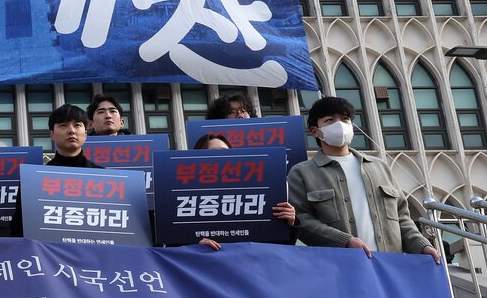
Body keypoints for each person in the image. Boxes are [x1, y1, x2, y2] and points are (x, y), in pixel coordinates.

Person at [287, 96, 441, 262]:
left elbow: (401, 217)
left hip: (389, 264)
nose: (340, 125)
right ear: (315, 131)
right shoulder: (302, 172)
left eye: (345, 119)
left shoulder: (379, 167)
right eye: (330, 120)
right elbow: (301, 220)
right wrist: (346, 241)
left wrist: (422, 245)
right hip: (339, 266)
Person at [187, 133, 297, 251]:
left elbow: (280, 248)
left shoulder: (260, 188)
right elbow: (171, 244)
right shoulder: (184, 194)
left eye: (225, 151)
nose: (221, 156)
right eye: (213, 152)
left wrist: (289, 223)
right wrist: (195, 245)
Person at [10, 105, 101, 238]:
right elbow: (19, 228)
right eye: (63, 125)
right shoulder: (33, 181)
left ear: (86, 134)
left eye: (77, 125)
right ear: (52, 134)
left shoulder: (104, 177)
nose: (71, 131)